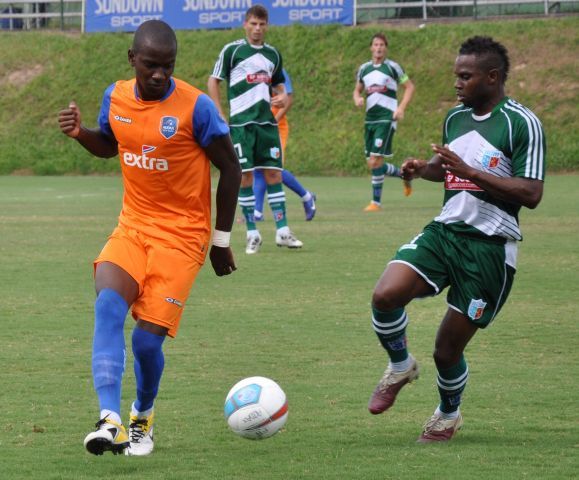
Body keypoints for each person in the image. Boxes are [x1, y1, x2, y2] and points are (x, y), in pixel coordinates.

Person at [58, 20, 241, 456]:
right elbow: (110, 144)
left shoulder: (196, 107)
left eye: (167, 66)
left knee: (144, 340)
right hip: (133, 226)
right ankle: (110, 420)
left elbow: (230, 168)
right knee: (107, 305)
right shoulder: (115, 96)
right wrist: (81, 133)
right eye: (150, 66)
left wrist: (220, 240)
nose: (159, 74)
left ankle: (143, 414)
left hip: (182, 237)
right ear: (132, 59)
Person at [367, 36, 545, 443]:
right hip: (446, 232)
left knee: (446, 350)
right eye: (456, 76)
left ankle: (448, 415)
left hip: (490, 249)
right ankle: (399, 366)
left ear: (493, 77)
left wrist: (469, 170)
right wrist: (419, 169)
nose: (457, 84)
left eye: (465, 77)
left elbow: (531, 194)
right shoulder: (455, 118)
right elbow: (445, 169)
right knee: (385, 295)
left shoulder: (521, 122)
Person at [208, 4, 303, 255]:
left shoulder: (273, 54)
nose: (257, 29)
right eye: (253, 24)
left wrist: (281, 97)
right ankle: (252, 233)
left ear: (266, 26)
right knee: (245, 178)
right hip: (241, 126)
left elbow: (281, 86)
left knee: (274, 175)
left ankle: (283, 232)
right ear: (245, 24)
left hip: (267, 125)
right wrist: (219, 111)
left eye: (262, 24)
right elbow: (213, 81)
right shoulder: (232, 51)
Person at [353, 33, 415, 211]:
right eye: (375, 44)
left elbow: (409, 87)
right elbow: (357, 90)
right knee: (373, 163)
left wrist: (401, 108)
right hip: (370, 120)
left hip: (387, 118)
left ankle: (376, 203)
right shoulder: (364, 69)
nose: (378, 48)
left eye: (381, 45)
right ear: (371, 48)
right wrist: (357, 98)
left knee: (375, 160)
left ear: (385, 48)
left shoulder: (393, 67)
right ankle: (405, 174)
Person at [253, 68, 317, 222]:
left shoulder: (277, 71)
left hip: (276, 127)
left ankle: (307, 197)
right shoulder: (251, 71)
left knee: (275, 169)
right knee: (258, 167)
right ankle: (257, 213)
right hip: (259, 125)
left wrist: (275, 119)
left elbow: (288, 99)